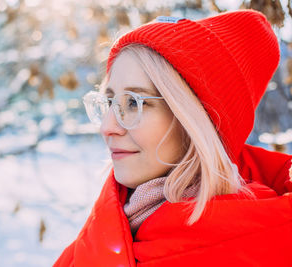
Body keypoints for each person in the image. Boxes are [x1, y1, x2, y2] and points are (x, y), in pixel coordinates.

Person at [54, 9, 292, 266]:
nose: (108, 127)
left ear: (194, 120)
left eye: (134, 103)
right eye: (110, 101)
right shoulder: (106, 228)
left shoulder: (263, 245)